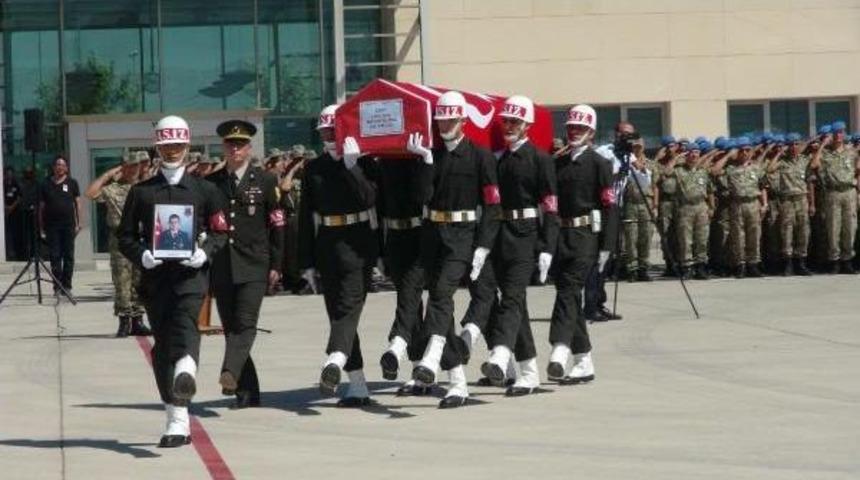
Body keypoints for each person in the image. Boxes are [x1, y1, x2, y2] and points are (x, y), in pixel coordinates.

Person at [118, 115, 227, 448]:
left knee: (185, 327)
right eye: (166, 146)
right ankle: (175, 418)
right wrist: (142, 255)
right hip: (155, 280)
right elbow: (124, 236)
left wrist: (204, 253)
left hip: (191, 277)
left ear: (188, 145)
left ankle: (186, 374)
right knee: (162, 347)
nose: (172, 152)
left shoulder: (206, 190)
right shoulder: (141, 193)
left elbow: (221, 231)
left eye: (178, 145)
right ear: (157, 146)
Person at [409, 91, 501, 408]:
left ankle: (432, 359)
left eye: (450, 119)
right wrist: (425, 162)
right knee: (440, 305)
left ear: (463, 120)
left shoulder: (480, 156)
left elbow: (492, 205)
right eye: (441, 119)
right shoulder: (433, 154)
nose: (444, 124)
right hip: (434, 234)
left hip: (463, 234)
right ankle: (458, 383)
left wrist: (484, 246)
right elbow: (423, 197)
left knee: (441, 295)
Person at [298, 104, 380, 407]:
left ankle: (333, 359)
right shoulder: (314, 168)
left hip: (358, 244)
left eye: (333, 130)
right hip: (327, 245)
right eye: (324, 132)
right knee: (337, 315)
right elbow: (306, 216)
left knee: (348, 309)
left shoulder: (365, 162)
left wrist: (352, 166)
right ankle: (357, 384)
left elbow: (370, 199)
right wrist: (305, 261)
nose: (328, 136)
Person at [478, 94, 558, 396]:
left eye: (515, 122)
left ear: (527, 125)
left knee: (512, 297)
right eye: (506, 121)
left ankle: (499, 354)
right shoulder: (497, 159)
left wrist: (548, 247)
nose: (509, 126)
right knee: (514, 304)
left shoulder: (540, 159)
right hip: (499, 233)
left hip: (526, 234)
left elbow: (549, 206)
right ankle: (528, 371)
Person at [208, 119, 285, 409]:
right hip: (222, 265)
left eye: (240, 144)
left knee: (246, 324)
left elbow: (277, 224)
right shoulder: (212, 183)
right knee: (231, 328)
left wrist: (277, 264)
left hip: (255, 263)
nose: (235, 149)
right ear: (224, 148)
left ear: (250, 148)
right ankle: (247, 391)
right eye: (230, 144)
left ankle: (229, 371)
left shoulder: (265, 180)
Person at [548, 104, 614, 385]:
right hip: (561, 236)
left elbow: (610, 206)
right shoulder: (558, 162)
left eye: (580, 129)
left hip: (586, 235)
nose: (574, 132)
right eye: (571, 128)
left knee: (569, 291)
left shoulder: (600, 164)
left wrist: (606, 246)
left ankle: (560, 348)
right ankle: (584, 360)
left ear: (591, 133)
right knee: (570, 295)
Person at [86, 150, 152, 337]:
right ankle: (124, 321)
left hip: (140, 240)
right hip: (120, 240)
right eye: (129, 166)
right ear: (123, 168)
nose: (133, 170)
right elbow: (90, 193)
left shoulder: (144, 188)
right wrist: (108, 174)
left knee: (140, 281)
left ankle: (138, 320)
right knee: (122, 281)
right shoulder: (112, 189)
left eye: (136, 166)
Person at [711, 137, 767, 278]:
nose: (744, 153)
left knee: (754, 235)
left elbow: (763, 187)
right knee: (738, 236)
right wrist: (729, 155)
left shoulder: (756, 168)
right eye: (741, 150)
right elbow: (714, 171)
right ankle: (740, 265)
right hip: (737, 204)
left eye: (747, 150)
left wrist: (764, 204)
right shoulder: (730, 168)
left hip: (753, 203)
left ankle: (753, 264)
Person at [810, 121, 858, 274]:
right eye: (836, 132)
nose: (839, 135)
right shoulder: (825, 153)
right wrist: (823, 145)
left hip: (849, 191)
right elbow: (813, 165)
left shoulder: (851, 152)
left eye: (841, 132)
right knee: (833, 227)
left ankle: (847, 260)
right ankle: (835, 261)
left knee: (850, 227)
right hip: (832, 193)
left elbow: (858, 171)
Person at [767, 133, 813, 275]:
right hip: (787, 200)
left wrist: (812, 203)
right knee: (787, 230)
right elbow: (769, 169)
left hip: (801, 198)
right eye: (791, 144)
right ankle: (788, 263)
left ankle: (801, 262)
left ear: (800, 146)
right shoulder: (782, 161)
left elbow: (810, 181)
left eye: (796, 144)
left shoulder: (804, 160)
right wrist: (779, 153)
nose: (794, 147)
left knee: (803, 230)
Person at [39, 155, 81, 293]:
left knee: (68, 256)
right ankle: (57, 285)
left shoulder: (72, 183)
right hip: (52, 227)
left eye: (63, 165)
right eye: (58, 165)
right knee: (55, 256)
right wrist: (41, 227)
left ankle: (67, 285)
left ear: (67, 168)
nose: (60, 167)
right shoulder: (45, 184)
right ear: (53, 167)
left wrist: (78, 223)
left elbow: (78, 204)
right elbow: (41, 208)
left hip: (68, 225)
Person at [673, 143, 714, 279]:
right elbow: (666, 172)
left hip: (701, 206)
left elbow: (710, 191)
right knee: (685, 240)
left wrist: (711, 207)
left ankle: (701, 266)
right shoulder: (679, 170)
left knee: (702, 238)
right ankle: (687, 267)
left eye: (696, 152)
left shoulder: (703, 171)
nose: (693, 155)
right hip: (686, 207)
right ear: (686, 155)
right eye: (690, 152)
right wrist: (678, 157)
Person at [622, 140, 655, 281]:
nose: (637, 149)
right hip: (630, 204)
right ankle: (632, 269)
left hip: (646, 204)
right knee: (631, 238)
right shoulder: (625, 162)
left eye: (639, 146)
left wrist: (655, 206)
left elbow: (655, 186)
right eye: (635, 147)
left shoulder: (650, 163)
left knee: (646, 236)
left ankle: (643, 268)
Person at [3, 166, 23, 260]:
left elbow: (20, 197)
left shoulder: (16, 184)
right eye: (7, 173)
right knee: (7, 233)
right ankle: (8, 252)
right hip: (5, 212)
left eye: (11, 173)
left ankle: (17, 253)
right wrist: (5, 207)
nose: (9, 175)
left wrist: (11, 207)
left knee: (15, 232)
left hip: (15, 212)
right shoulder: (3, 184)